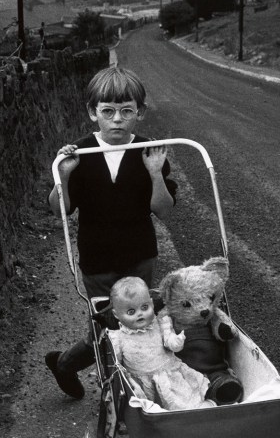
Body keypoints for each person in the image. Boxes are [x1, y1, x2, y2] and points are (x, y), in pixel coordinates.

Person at [45, 65, 177, 399]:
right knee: (108, 326)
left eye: (126, 111)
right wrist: (65, 174)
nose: (117, 119)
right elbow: (59, 208)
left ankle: (139, 390)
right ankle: (71, 366)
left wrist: (155, 174)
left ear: (140, 113)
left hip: (140, 255)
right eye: (108, 111)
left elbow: (163, 209)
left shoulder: (150, 151)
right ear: (93, 113)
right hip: (98, 258)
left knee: (142, 323)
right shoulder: (79, 152)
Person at [107, 277, 214, 410]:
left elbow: (170, 343)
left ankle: (196, 410)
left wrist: (176, 341)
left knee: (183, 400)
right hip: (143, 381)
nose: (140, 314)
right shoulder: (118, 338)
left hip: (168, 375)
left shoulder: (160, 323)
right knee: (145, 407)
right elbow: (118, 364)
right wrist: (129, 381)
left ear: (152, 304)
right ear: (116, 315)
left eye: (144, 307)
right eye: (131, 312)